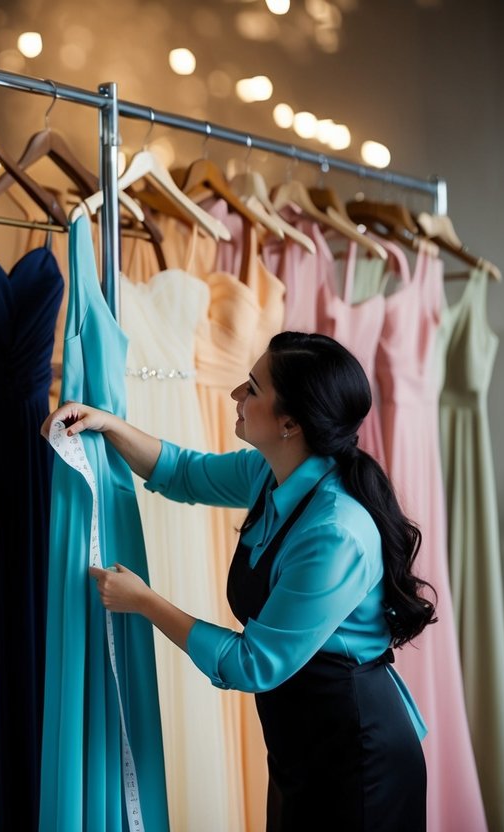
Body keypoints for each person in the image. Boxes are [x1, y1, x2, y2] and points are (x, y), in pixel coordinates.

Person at [42, 331, 434, 832]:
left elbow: (252, 664)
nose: (235, 397)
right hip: (301, 741)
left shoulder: (336, 533)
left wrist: (144, 602)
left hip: (358, 755)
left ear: (290, 422)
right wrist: (108, 424)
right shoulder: (274, 473)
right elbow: (184, 473)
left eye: (252, 388)